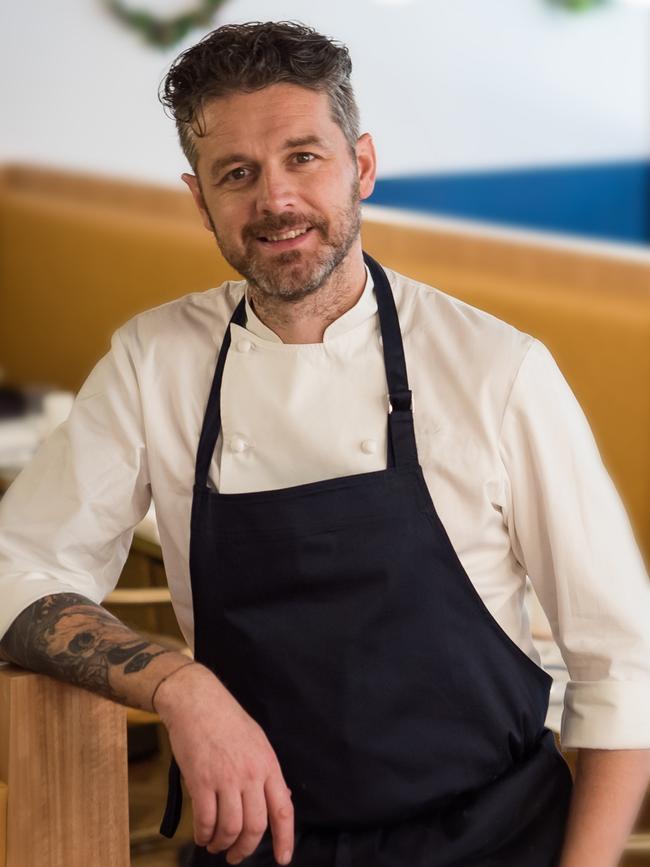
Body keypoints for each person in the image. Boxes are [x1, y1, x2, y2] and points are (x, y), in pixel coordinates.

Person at [0, 19, 649, 867]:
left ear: (362, 166)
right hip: (259, 849)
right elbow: (19, 570)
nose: (276, 199)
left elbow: (622, 672)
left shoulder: (498, 370)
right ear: (200, 200)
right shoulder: (154, 362)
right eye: (238, 173)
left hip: (491, 841)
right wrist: (179, 683)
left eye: (304, 157)